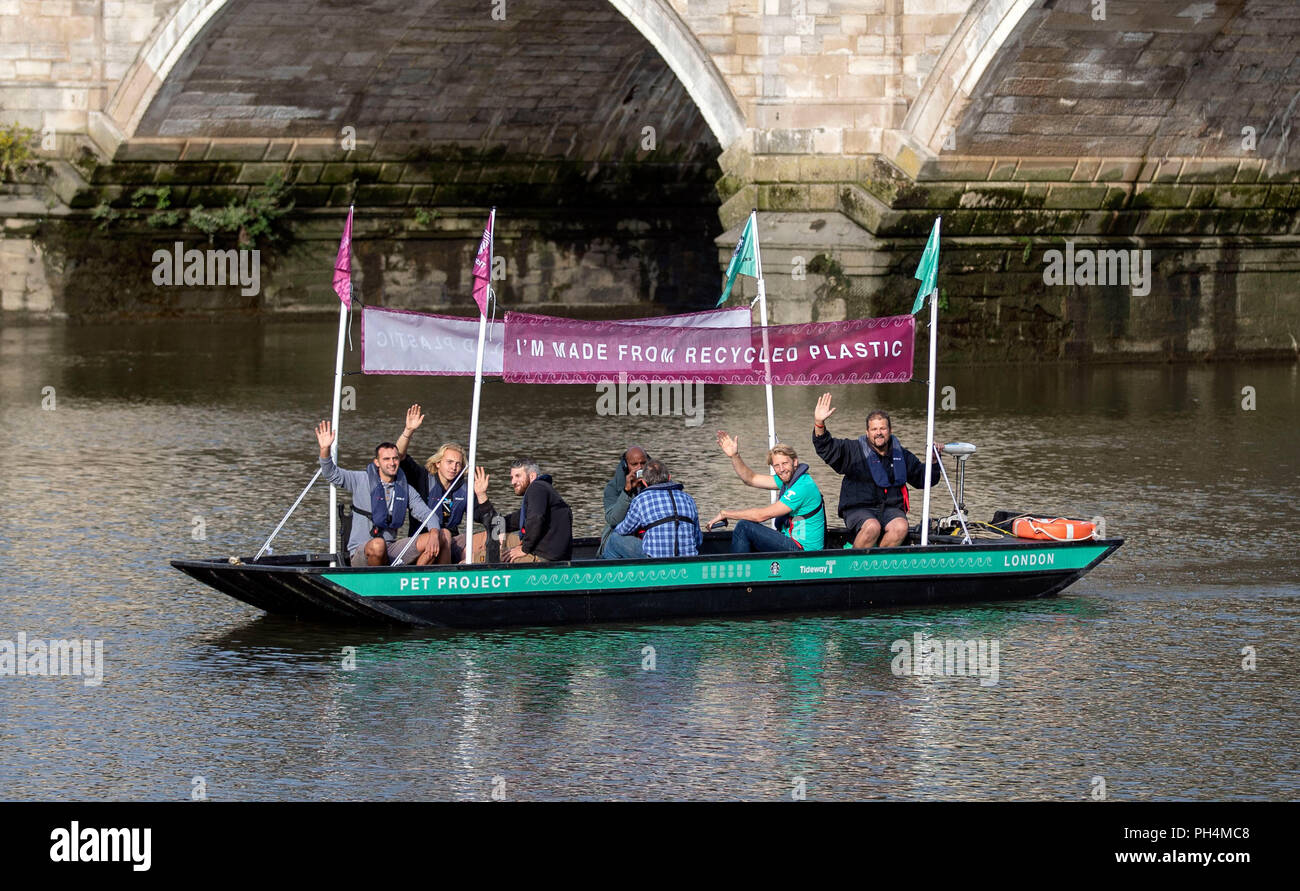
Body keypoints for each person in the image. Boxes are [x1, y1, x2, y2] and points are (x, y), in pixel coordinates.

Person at [811, 393, 942, 549]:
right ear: (867, 432)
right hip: (858, 509)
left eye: (882, 428)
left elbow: (924, 479)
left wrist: (934, 461)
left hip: (890, 510)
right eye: (874, 429)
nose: (878, 432)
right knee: (872, 527)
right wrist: (819, 423)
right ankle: (853, 565)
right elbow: (826, 447)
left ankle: (877, 564)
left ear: (890, 430)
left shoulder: (901, 455)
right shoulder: (853, 450)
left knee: (901, 527)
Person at [314, 420, 440, 566]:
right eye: (386, 459)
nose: (392, 463)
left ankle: (413, 580)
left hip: (390, 549)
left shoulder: (405, 489)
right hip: (362, 552)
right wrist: (325, 449)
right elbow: (331, 473)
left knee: (439, 537)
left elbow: (427, 514)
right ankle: (376, 583)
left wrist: (434, 533)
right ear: (377, 462)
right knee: (378, 544)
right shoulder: (360, 479)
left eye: (395, 458)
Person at [707, 433, 825, 553]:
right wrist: (734, 456)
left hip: (805, 551)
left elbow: (760, 516)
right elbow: (750, 479)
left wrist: (725, 514)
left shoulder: (802, 487)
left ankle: (739, 570)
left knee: (744, 527)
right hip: (791, 541)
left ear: (795, 462)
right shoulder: (787, 479)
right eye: (777, 466)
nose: (781, 469)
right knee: (747, 529)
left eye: (785, 463)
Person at [393, 404, 472, 564]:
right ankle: (420, 576)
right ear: (437, 463)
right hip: (422, 541)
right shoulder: (421, 477)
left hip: (450, 543)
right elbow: (399, 456)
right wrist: (408, 431)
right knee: (444, 534)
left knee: (485, 538)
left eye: (458, 464)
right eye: (449, 462)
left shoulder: (465, 488)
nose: (454, 467)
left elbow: (481, 515)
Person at [473, 459, 573, 563]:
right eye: (512, 477)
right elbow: (501, 524)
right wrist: (482, 495)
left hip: (545, 559)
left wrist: (524, 548)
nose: (513, 482)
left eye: (518, 476)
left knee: (478, 559)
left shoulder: (537, 487)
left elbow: (536, 518)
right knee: (493, 539)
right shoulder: (541, 495)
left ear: (532, 476)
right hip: (548, 554)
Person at [612, 459, 702, 558]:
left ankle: (605, 569)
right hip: (689, 560)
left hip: (654, 561)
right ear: (669, 477)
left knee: (614, 538)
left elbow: (623, 530)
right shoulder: (688, 498)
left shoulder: (641, 500)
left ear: (644, 483)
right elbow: (698, 540)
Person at [600, 445, 651, 559]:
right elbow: (613, 520)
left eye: (643, 463)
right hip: (622, 537)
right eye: (634, 464)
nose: (640, 468)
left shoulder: (658, 481)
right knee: (614, 539)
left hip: (649, 538)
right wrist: (627, 492)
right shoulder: (612, 488)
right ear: (625, 466)